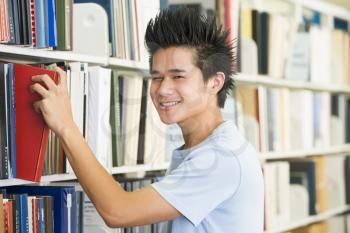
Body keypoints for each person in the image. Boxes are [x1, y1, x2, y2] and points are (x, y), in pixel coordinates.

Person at [30, 8, 264, 233]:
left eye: (178, 76)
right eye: (156, 77)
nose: (163, 89)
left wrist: (66, 126)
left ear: (215, 82)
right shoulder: (201, 149)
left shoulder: (221, 158)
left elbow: (118, 212)